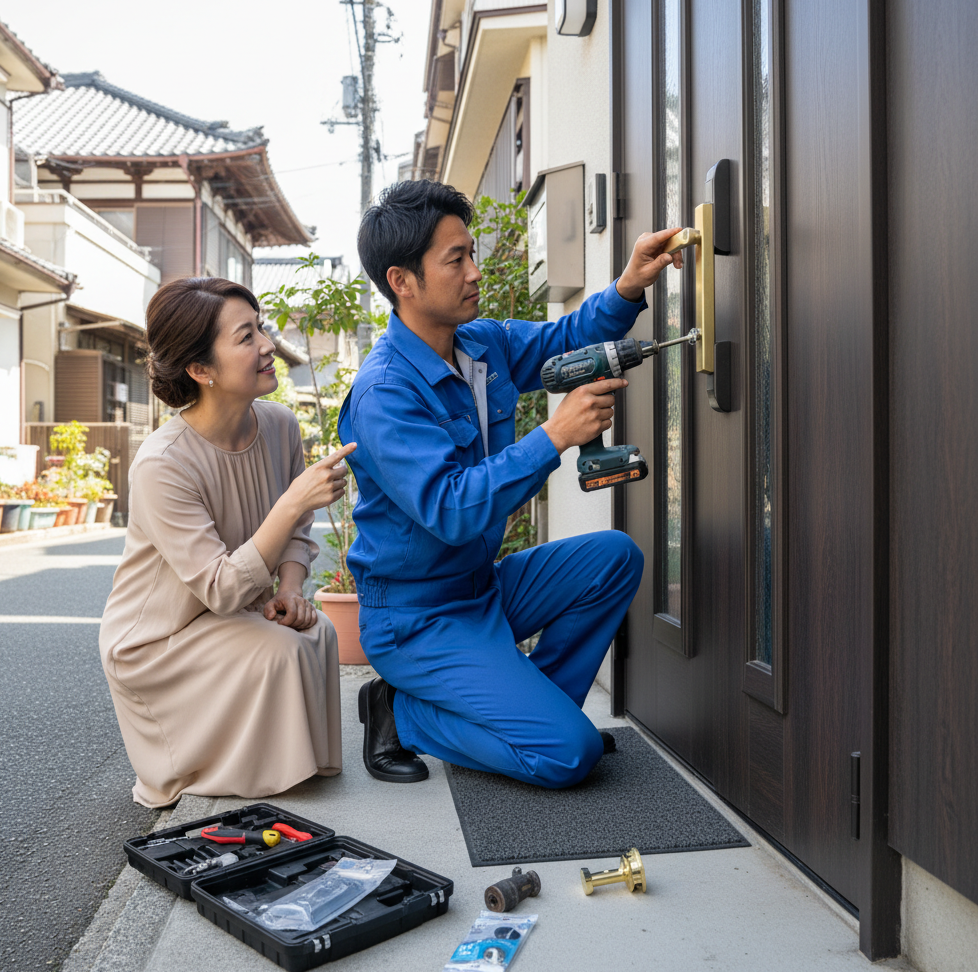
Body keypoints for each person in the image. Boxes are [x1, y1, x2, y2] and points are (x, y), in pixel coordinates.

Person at [340, 180, 682, 788]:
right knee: (569, 757)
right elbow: (451, 510)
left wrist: (630, 284)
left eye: (471, 252)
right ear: (402, 281)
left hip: (480, 589)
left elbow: (565, 340)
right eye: (456, 260)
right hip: (417, 619)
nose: (474, 272)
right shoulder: (383, 394)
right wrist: (554, 436)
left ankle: (538, 713)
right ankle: (405, 711)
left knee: (613, 557)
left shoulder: (480, 344)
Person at [100, 277, 355, 807]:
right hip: (158, 640)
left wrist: (291, 590)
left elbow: (298, 536)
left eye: (260, 327)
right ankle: (221, 769)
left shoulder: (281, 425)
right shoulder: (162, 464)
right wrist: (292, 502)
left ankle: (288, 768)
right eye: (246, 337)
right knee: (280, 650)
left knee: (317, 631)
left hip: (232, 613)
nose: (267, 344)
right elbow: (219, 588)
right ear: (200, 369)